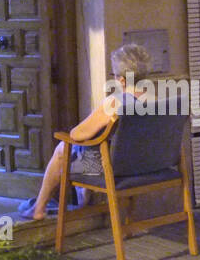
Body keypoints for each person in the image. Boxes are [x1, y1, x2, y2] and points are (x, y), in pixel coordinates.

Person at [19, 43, 154, 221]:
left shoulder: (115, 102)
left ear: (122, 80)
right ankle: (81, 200)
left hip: (111, 169)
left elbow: (76, 134)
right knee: (92, 147)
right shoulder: (154, 101)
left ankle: (39, 208)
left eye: (114, 75)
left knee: (63, 148)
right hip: (144, 165)